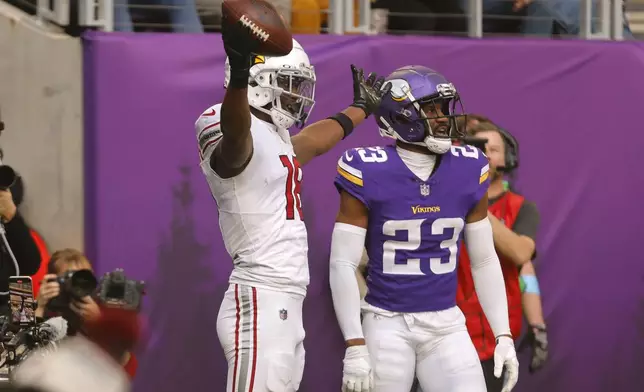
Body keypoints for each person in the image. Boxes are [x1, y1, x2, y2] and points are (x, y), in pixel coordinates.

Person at [197, 15, 390, 392]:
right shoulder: (228, 125)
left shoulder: (274, 134)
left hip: (284, 297)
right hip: (260, 293)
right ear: (257, 85)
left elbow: (311, 143)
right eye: (287, 84)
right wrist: (238, 76)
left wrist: (359, 109)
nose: (296, 94)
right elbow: (235, 145)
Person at [329, 65, 518, 392]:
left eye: (444, 108)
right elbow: (342, 263)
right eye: (431, 109)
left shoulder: (469, 166)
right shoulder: (367, 168)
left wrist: (503, 334)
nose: (443, 117)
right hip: (386, 322)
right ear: (400, 115)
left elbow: (484, 259)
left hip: (447, 323)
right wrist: (355, 345)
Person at [456, 122, 547, 390]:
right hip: (448, 335)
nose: (486, 155)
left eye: (493, 149)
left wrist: (537, 325)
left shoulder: (522, 208)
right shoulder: (446, 201)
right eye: (479, 149)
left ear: (507, 158)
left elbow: (522, 256)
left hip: (496, 340)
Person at [34, 249, 139, 378]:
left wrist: (98, 323)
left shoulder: (101, 311)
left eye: (83, 280)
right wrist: (38, 307)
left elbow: (128, 368)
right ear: (52, 282)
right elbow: (26, 360)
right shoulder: (46, 312)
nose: (76, 287)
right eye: (68, 280)